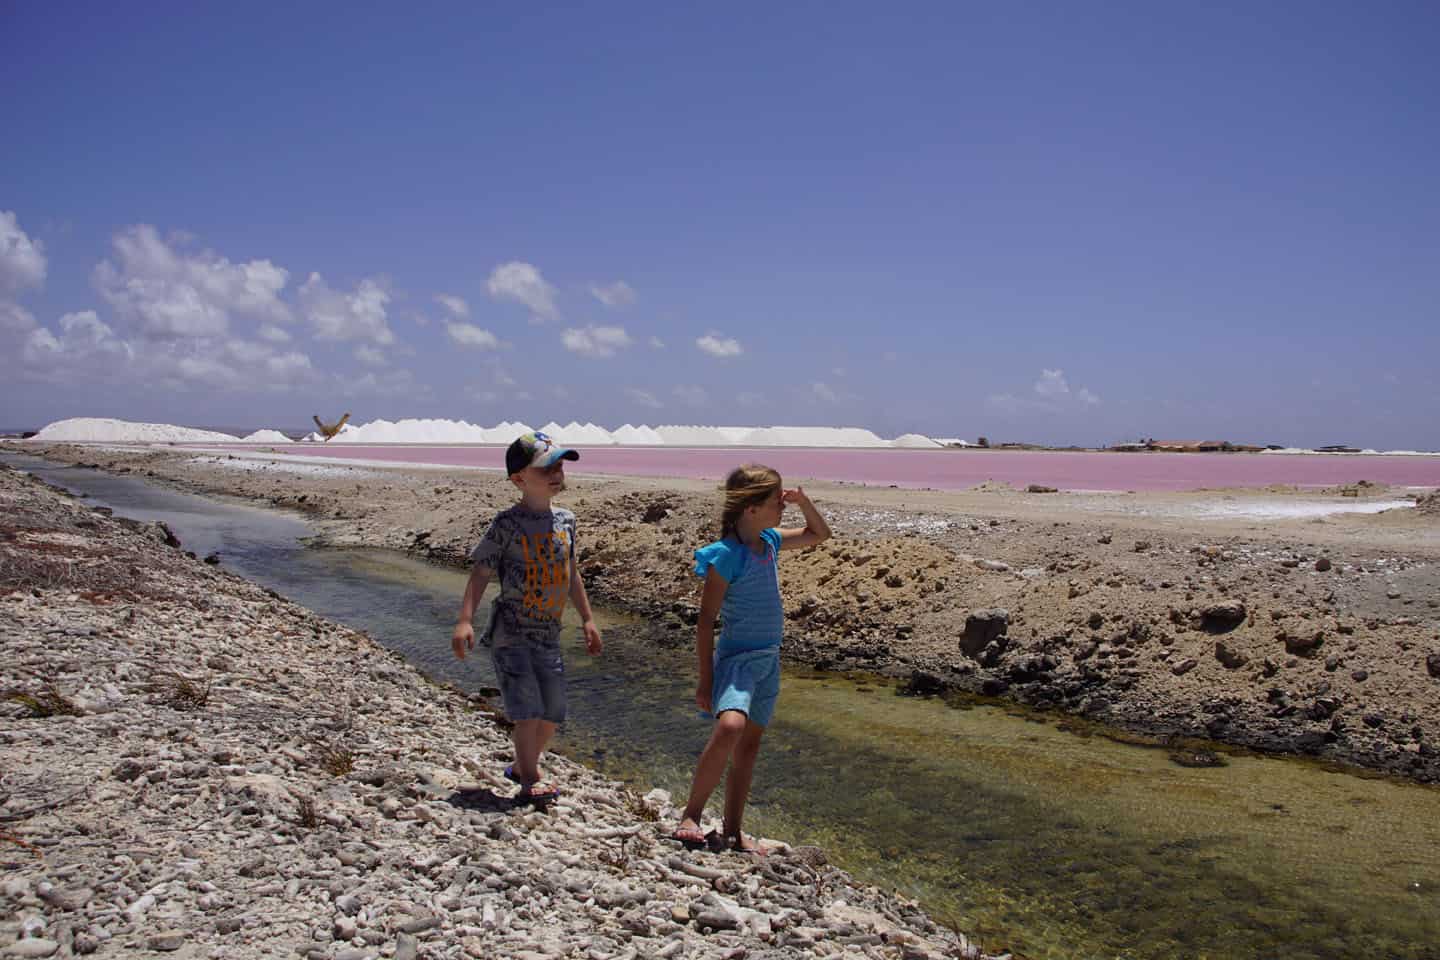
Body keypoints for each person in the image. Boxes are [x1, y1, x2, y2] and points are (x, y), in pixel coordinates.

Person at [672, 464, 831, 852]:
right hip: (737, 661)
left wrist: (805, 501)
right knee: (729, 728)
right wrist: (705, 679)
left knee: (749, 746)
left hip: (768, 662)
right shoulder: (727, 556)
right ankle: (691, 813)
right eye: (777, 502)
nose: (784, 508)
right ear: (751, 508)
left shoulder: (771, 541)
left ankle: (732, 829)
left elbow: (819, 534)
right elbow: (706, 620)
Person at [451, 431, 603, 803]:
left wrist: (587, 618)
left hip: (548, 633)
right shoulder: (507, 524)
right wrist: (465, 620)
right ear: (519, 479)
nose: (556, 473)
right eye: (545, 467)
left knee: (552, 711)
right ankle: (530, 778)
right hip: (512, 631)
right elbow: (482, 572)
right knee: (527, 709)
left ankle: (523, 764)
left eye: (560, 465)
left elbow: (571, 572)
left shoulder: (566, 520)